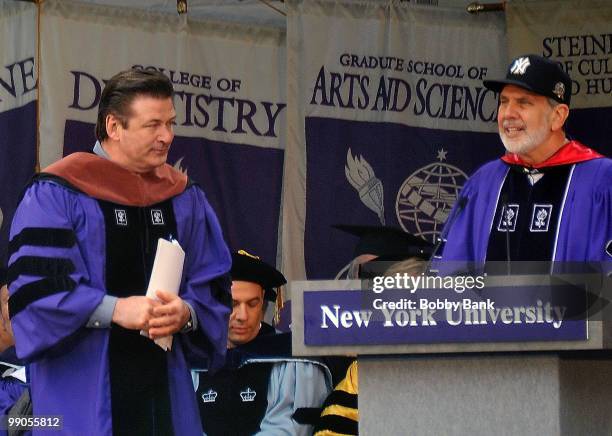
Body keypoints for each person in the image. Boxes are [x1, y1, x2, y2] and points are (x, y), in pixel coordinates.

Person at [7, 69, 232, 436]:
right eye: (153, 125)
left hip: (165, 395)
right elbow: (38, 293)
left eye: (171, 123)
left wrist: (187, 313)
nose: (167, 137)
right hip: (81, 394)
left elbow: (213, 281)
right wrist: (117, 309)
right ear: (114, 126)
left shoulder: (183, 197)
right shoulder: (57, 193)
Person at [439, 54, 612, 266]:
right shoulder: (484, 183)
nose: (508, 114)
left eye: (523, 103)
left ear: (558, 116)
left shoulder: (602, 181)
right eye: (503, 102)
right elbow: (451, 274)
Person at [193, 250, 332, 436]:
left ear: (263, 305)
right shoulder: (192, 357)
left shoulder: (291, 357)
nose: (242, 316)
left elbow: (291, 426)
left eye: (252, 304)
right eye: (232, 304)